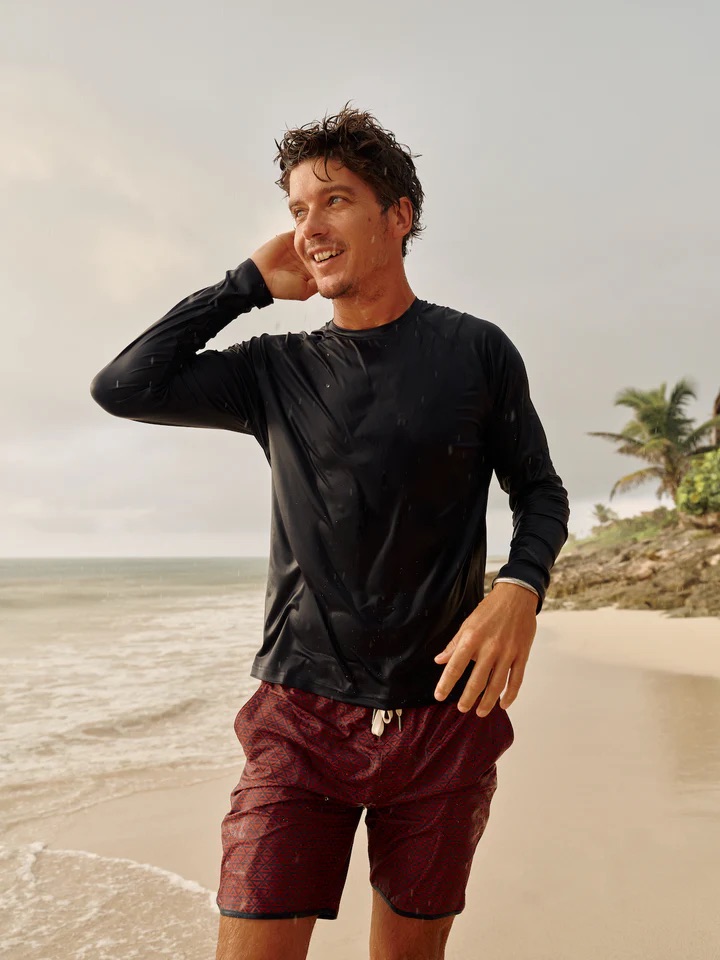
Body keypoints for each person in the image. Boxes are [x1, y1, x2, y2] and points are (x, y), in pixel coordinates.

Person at [91, 107, 570, 960]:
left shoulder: (476, 352)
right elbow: (124, 387)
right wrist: (241, 285)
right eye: (296, 207)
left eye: (335, 200)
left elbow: (540, 491)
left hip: (444, 717)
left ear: (399, 215)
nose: (309, 225)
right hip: (299, 721)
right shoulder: (274, 372)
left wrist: (517, 590)